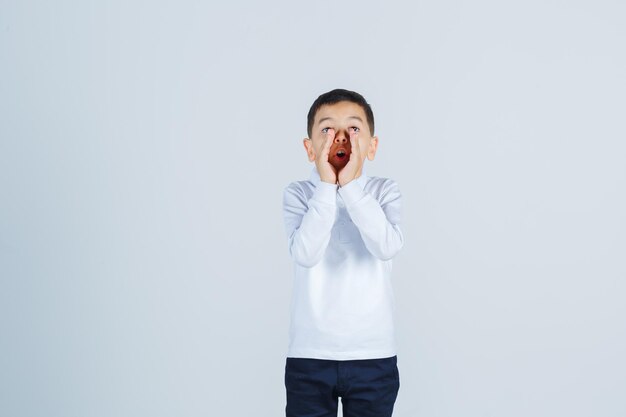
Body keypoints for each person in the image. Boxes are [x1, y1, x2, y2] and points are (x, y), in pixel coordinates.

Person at [282, 88, 404, 417]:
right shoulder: (300, 193)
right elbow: (305, 253)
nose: (340, 138)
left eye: (353, 128)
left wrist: (349, 186)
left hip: (373, 355)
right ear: (310, 149)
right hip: (309, 355)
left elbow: (387, 246)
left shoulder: (384, 192)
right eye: (326, 129)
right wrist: (327, 186)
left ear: (372, 146)